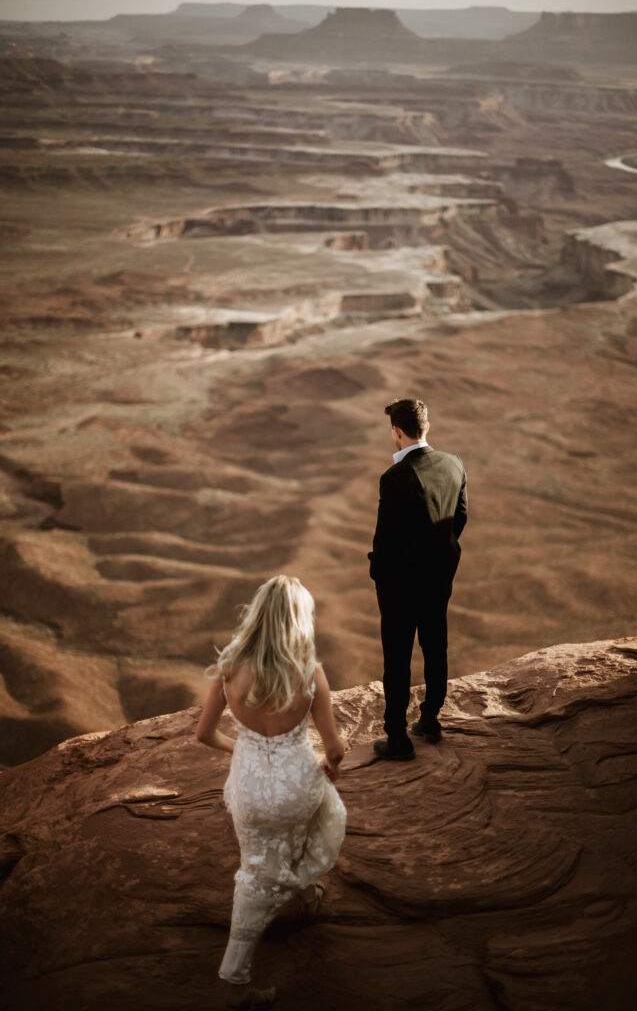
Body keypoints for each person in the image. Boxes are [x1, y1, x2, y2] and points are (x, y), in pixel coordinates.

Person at [196, 575, 346, 1010]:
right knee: (313, 815)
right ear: (300, 621)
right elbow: (334, 749)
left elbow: (204, 734)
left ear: (259, 614)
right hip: (297, 782)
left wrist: (242, 748)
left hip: (249, 787)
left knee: (256, 863)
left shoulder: (229, 665)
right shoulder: (309, 672)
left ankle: (301, 893)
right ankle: (233, 978)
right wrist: (330, 766)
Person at [368, 398, 468, 761]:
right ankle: (430, 718)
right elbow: (459, 518)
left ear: (396, 431)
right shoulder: (454, 463)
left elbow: (386, 537)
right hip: (438, 576)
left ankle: (396, 736)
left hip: (400, 585)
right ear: (428, 426)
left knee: (397, 657)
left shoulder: (394, 478)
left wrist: (378, 572)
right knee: (434, 644)